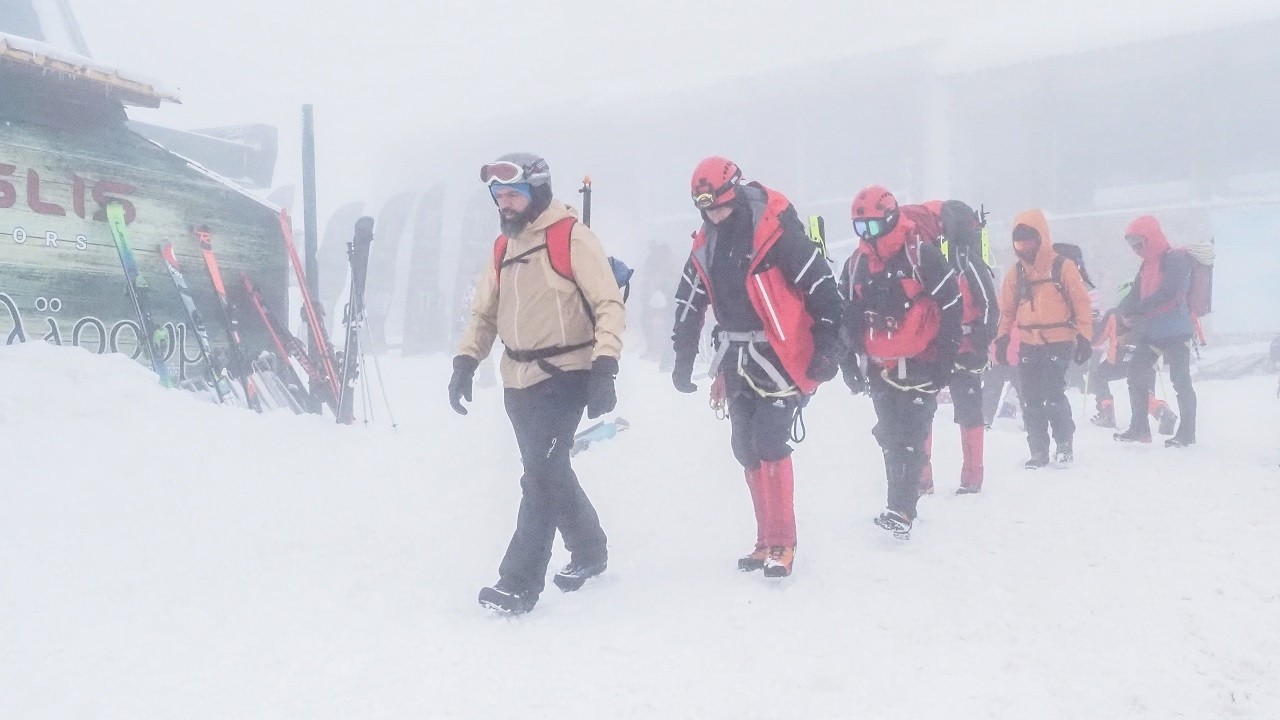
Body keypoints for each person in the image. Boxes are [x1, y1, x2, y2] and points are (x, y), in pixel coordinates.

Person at [450, 152, 625, 615]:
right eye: (499, 196)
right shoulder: (502, 249)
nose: (505, 204)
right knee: (549, 471)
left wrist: (605, 366)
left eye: (513, 194)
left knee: (541, 478)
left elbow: (608, 304)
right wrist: (465, 361)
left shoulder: (572, 238)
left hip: (567, 375)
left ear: (537, 191)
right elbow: (485, 314)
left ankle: (518, 582)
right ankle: (589, 549)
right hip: (517, 380)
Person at [671, 156, 843, 578]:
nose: (713, 215)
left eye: (717, 206)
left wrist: (829, 346)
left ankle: (784, 542)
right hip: (736, 357)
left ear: (733, 193)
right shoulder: (706, 244)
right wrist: (682, 355)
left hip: (783, 356)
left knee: (769, 441)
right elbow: (689, 300)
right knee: (744, 447)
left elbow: (821, 286)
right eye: (705, 209)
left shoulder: (775, 233)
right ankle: (765, 540)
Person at [839, 185, 962, 538]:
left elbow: (951, 306)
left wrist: (946, 359)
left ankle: (901, 509)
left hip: (922, 363)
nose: (867, 236)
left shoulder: (921, 256)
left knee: (911, 436)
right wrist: (848, 361)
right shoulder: (857, 265)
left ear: (892, 220)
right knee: (890, 436)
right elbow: (846, 313)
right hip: (881, 366)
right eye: (860, 229)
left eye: (873, 228)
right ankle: (901, 503)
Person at [993, 210, 1092, 468]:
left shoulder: (1063, 267)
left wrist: (1084, 337)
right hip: (1028, 342)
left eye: (1030, 242)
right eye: (1019, 244)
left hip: (1059, 340)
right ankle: (1038, 449)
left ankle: (1063, 444)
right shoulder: (1016, 274)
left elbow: (1081, 304)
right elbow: (1007, 310)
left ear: (1042, 239)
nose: (1025, 249)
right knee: (1031, 398)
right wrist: (1002, 338)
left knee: (1053, 393)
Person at [919, 200, 998, 495]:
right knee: (929, 412)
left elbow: (989, 303)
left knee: (955, 411)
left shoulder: (964, 260)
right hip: (941, 347)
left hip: (954, 346)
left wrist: (982, 339)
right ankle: (932, 477)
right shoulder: (941, 258)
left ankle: (963, 477)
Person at [1114, 216, 1197, 447]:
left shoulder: (1176, 259)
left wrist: (1137, 310)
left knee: (1180, 381)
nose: (1136, 249)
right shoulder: (1146, 265)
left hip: (1177, 331)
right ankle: (1139, 429)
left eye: (1139, 242)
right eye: (1132, 245)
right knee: (1135, 374)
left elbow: (1167, 292)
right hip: (1153, 332)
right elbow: (1135, 293)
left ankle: (1187, 434)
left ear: (1151, 237)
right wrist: (1122, 311)